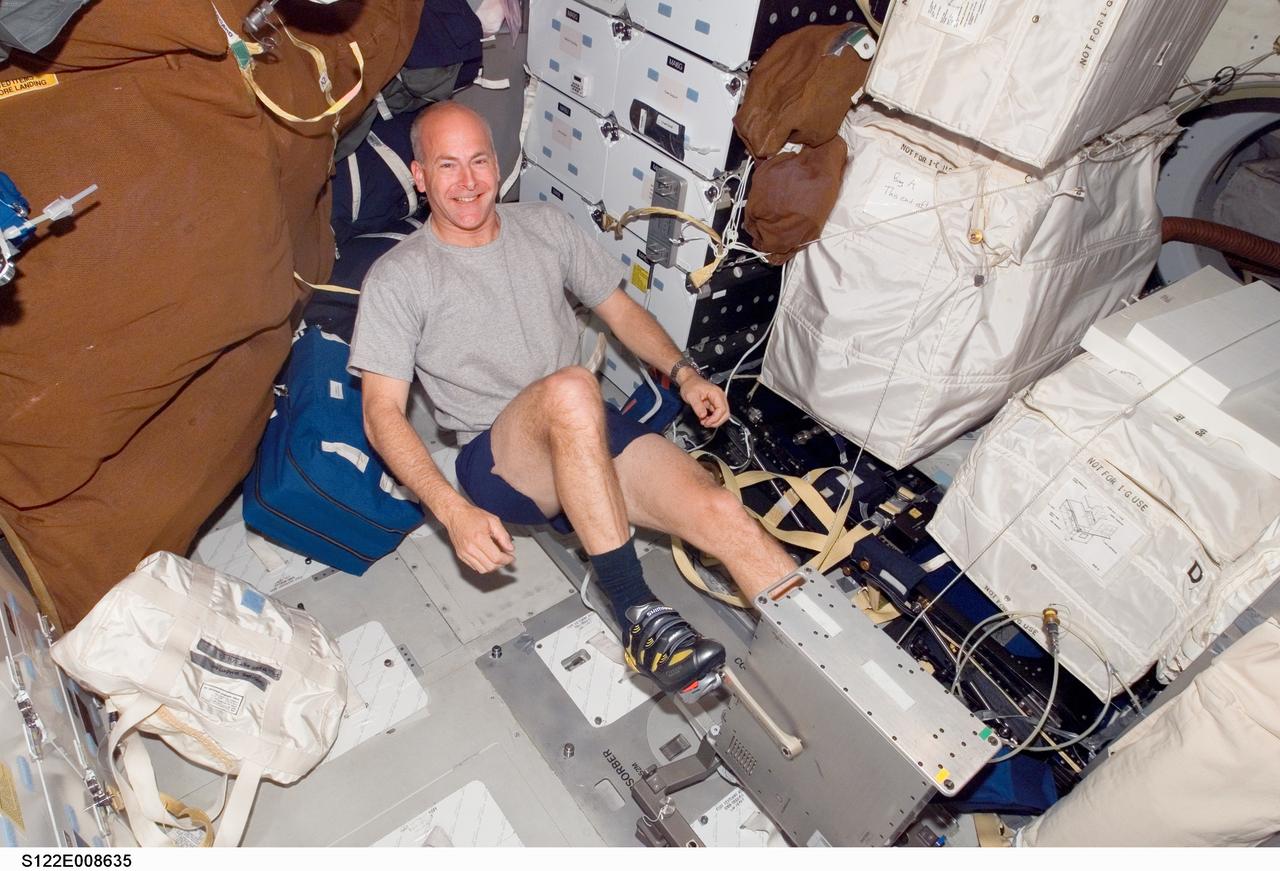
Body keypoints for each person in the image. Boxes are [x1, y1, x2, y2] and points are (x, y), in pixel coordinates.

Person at [348, 101, 796, 699]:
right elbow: (380, 414)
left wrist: (684, 374)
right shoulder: (397, 278)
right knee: (571, 388)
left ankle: (825, 672)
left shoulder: (545, 226)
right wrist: (450, 512)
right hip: (500, 458)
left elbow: (619, 311)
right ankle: (636, 611)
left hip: (587, 423)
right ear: (419, 176)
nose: (468, 181)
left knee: (725, 518)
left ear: (497, 162)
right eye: (447, 165)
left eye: (479, 160)